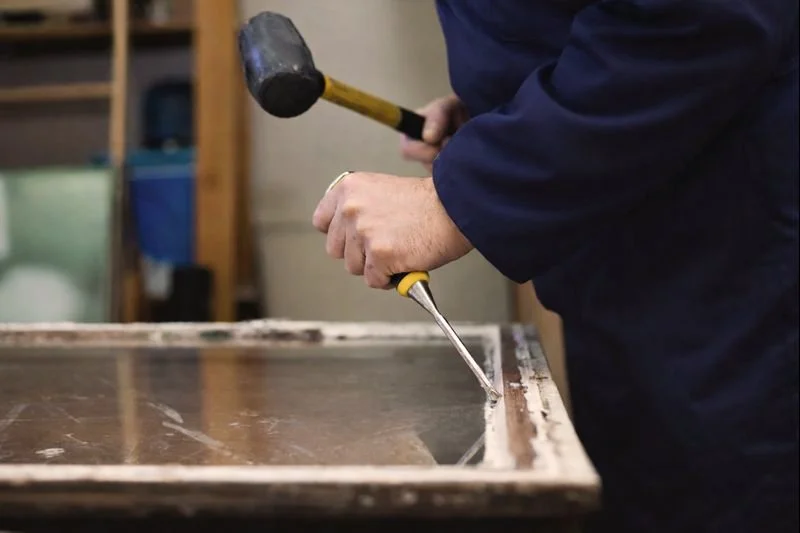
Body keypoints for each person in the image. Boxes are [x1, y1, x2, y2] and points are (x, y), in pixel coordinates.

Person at [312, 1, 798, 531]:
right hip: (625, 265)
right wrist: (507, 107)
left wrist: (464, 193)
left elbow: (700, 19)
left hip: (735, 267)